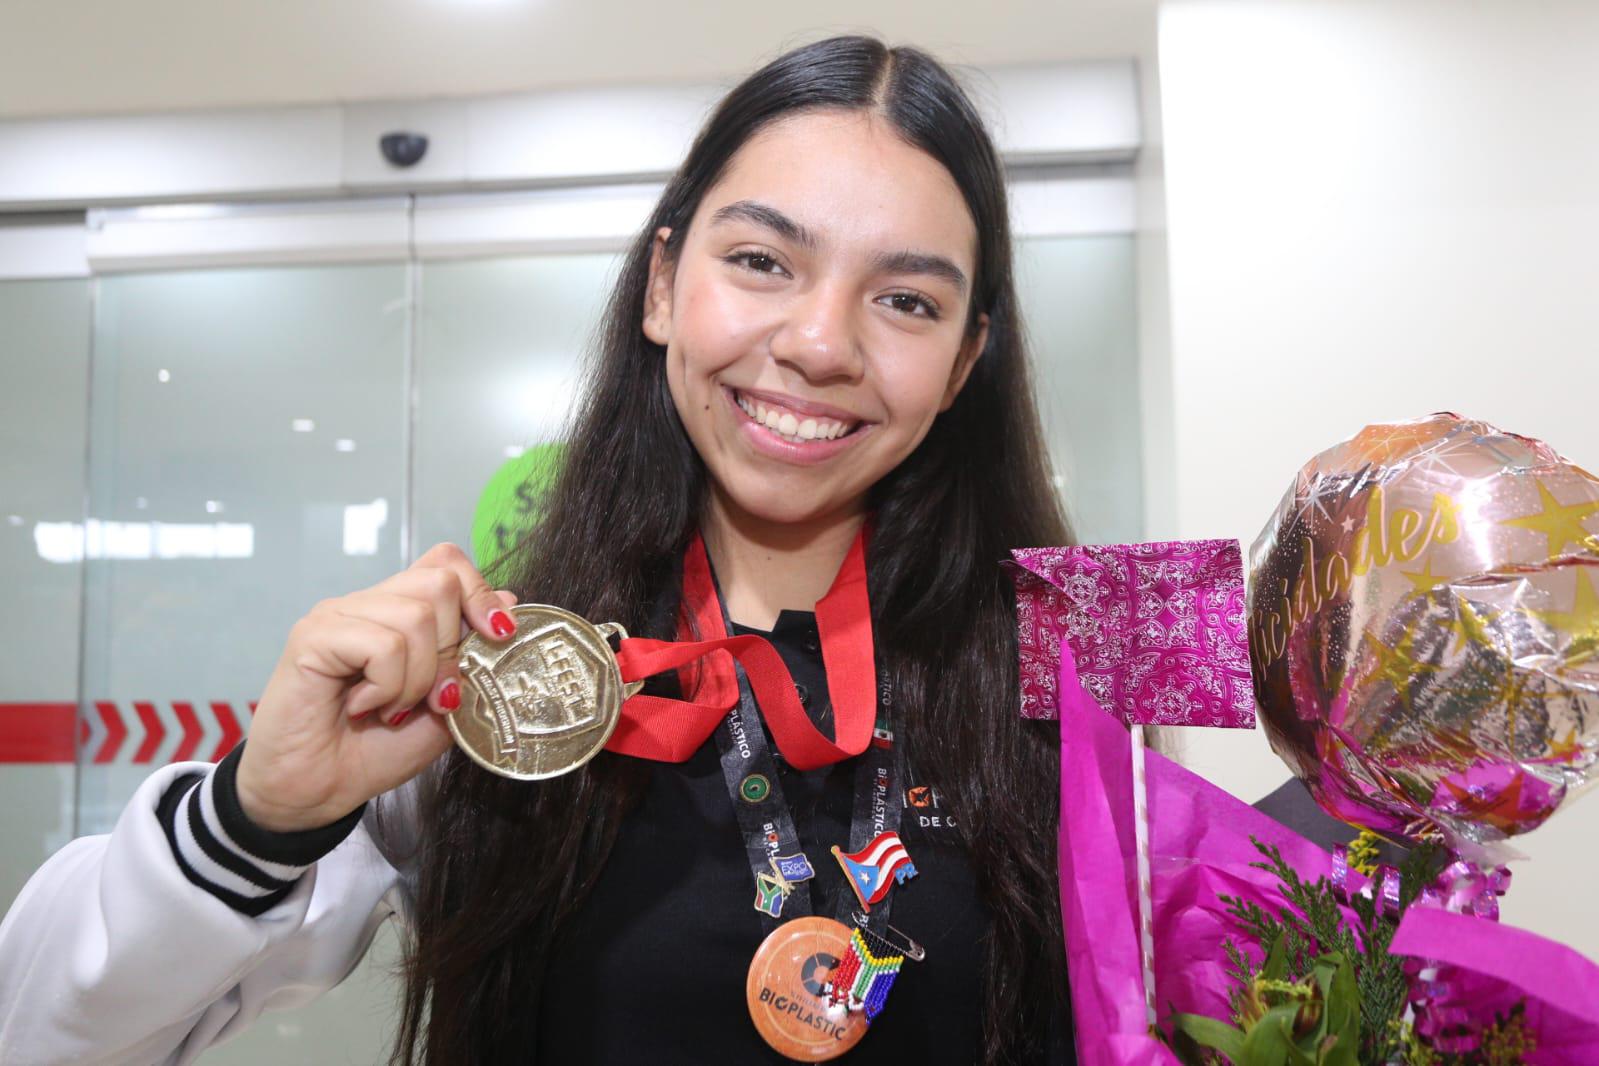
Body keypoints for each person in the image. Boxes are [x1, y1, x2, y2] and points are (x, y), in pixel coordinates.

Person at [0, 35, 1073, 1065]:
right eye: (760, 260)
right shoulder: (503, 673)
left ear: (967, 355)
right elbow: (47, 1035)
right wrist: (256, 816)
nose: (820, 343)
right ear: (661, 286)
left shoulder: (1064, 663)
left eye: (905, 300)